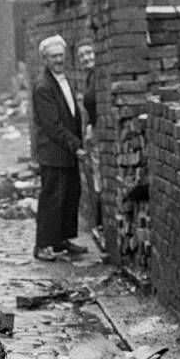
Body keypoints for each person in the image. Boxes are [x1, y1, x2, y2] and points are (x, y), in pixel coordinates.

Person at [31, 33, 88, 262]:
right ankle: (43, 245)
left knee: (69, 195)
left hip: (66, 151)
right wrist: (76, 146)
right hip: (54, 152)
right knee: (52, 199)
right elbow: (52, 126)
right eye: (53, 57)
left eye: (61, 56)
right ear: (45, 59)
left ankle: (61, 239)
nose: (58, 60)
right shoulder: (43, 87)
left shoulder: (63, 79)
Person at [75, 36, 102, 228]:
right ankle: (99, 221)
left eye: (89, 53)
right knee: (96, 178)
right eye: (81, 55)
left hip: (102, 135)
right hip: (96, 133)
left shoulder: (99, 76)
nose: (85, 58)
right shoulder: (90, 77)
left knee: (99, 178)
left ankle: (100, 222)